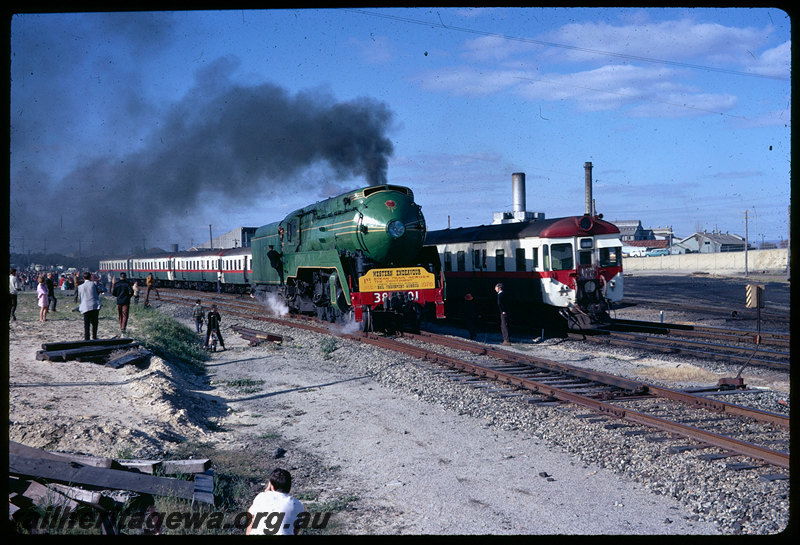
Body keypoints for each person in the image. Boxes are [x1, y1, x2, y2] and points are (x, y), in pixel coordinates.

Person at [245, 468, 305, 535]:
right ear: (289, 485)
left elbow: (250, 514)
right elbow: (295, 530)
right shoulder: (297, 504)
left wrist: (265, 492)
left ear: (271, 485)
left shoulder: (261, 497)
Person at [78, 272, 102, 340]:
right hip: (94, 305)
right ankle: (94, 336)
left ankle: (87, 338)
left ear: (83, 278)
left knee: (86, 324)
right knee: (95, 323)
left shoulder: (80, 287)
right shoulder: (94, 284)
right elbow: (98, 291)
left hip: (85, 306)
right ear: (90, 277)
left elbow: (80, 296)